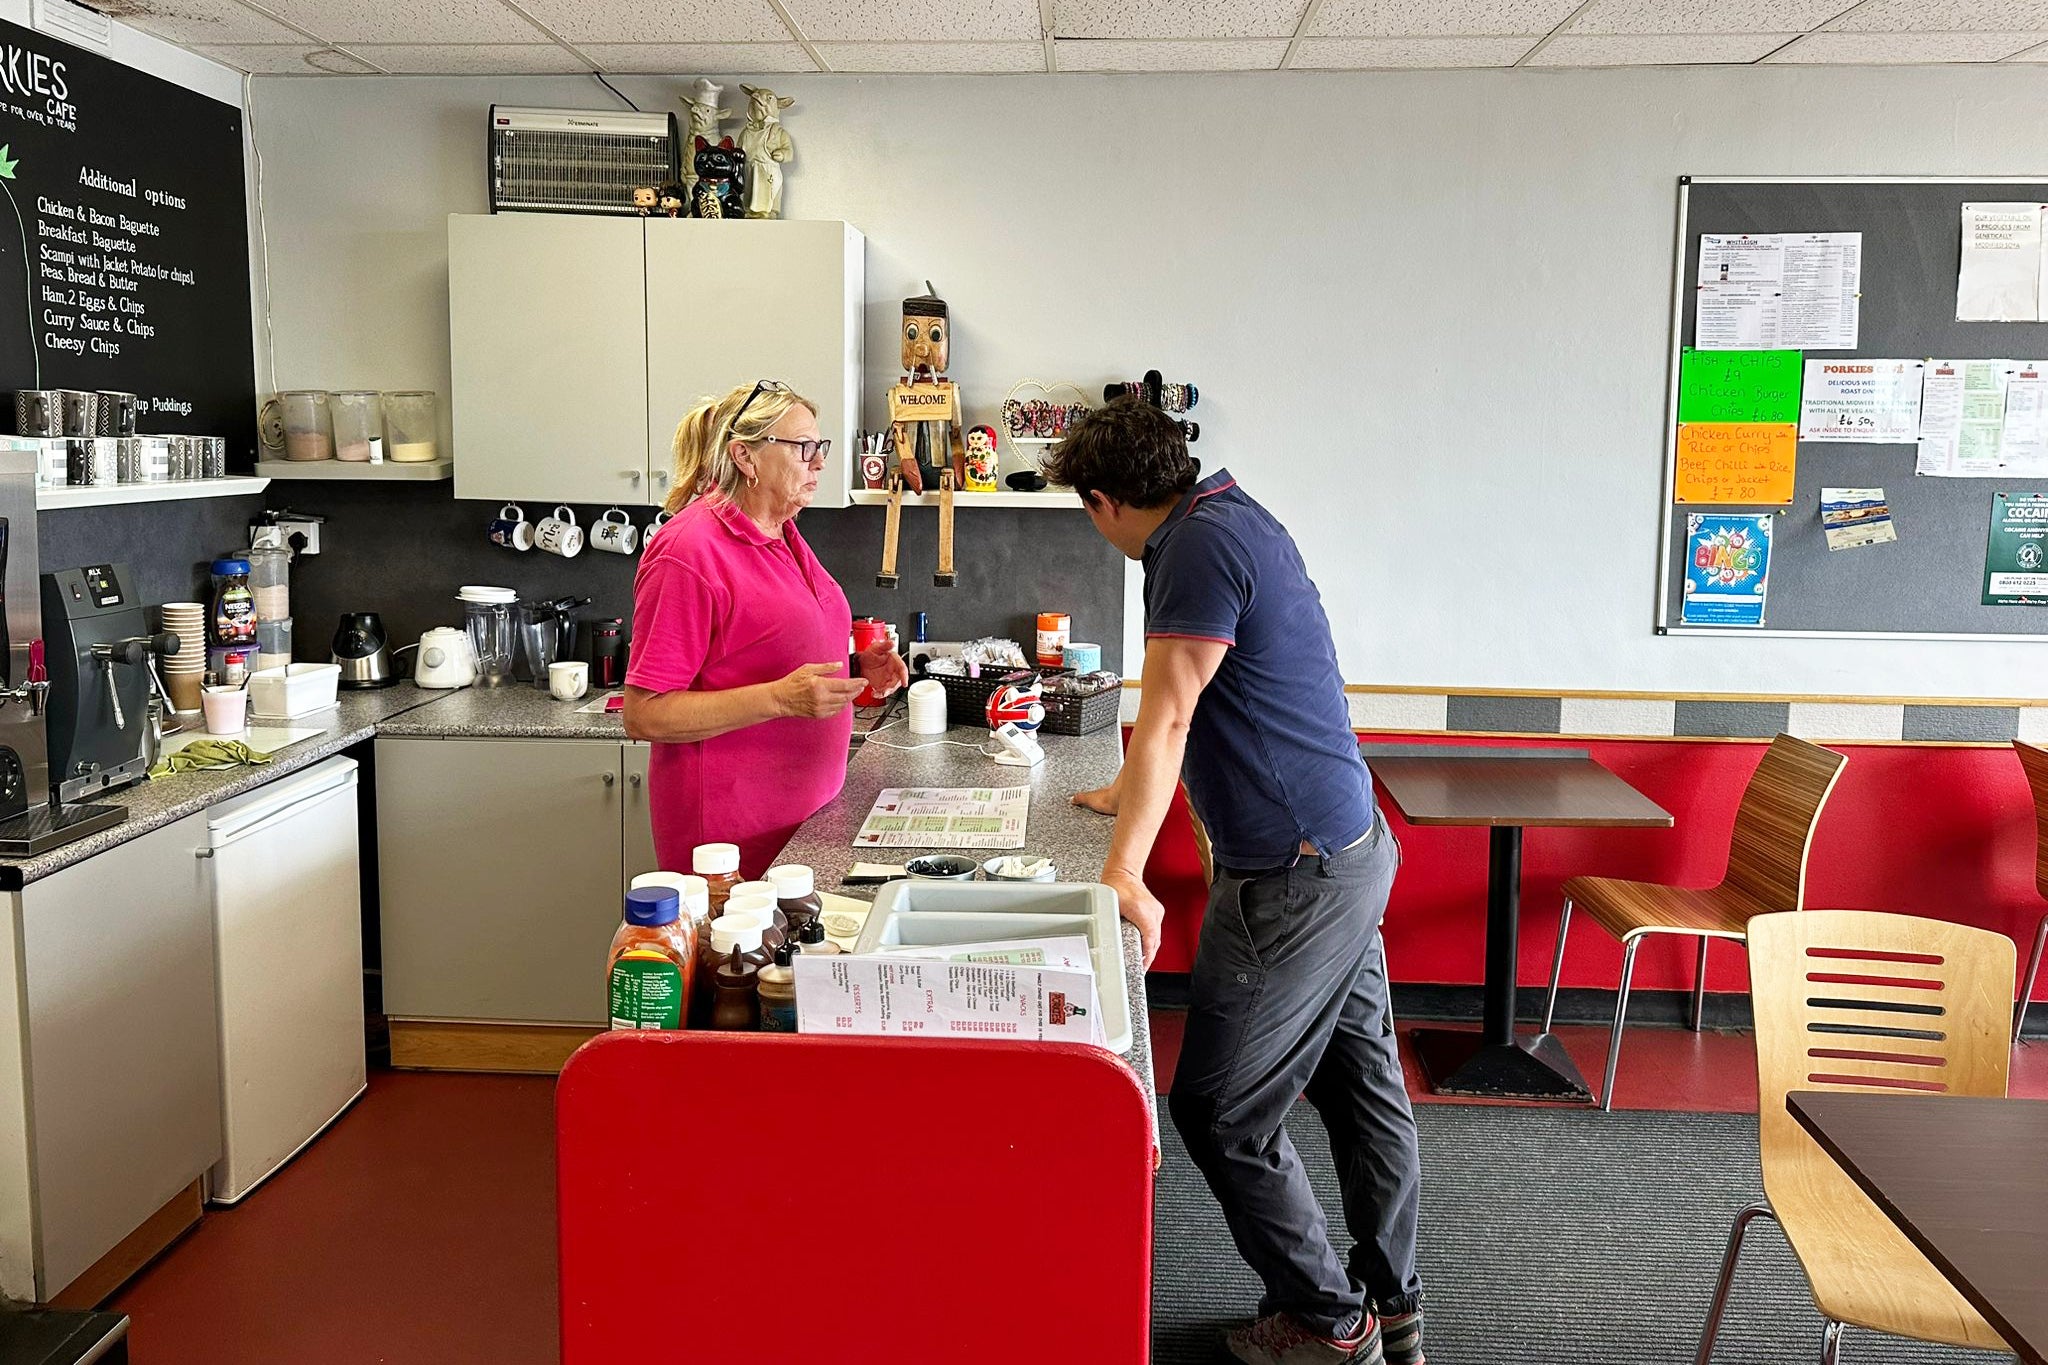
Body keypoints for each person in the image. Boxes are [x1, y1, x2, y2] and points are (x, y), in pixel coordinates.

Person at [1048, 399, 1425, 1365]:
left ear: (1102, 502)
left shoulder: (1191, 548)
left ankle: (1333, 1323)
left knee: (1220, 1111)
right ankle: (1396, 1301)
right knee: (1361, 1087)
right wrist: (1122, 792)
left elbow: (1170, 716)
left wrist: (1124, 866)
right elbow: (1213, 706)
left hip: (1292, 878)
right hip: (1350, 847)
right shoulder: (1233, 512)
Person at [624, 380, 907, 878]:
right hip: (727, 840)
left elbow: (764, 652)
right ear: (746, 458)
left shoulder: (784, 530)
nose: (819, 462)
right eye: (804, 448)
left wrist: (855, 670)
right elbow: (645, 715)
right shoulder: (689, 552)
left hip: (802, 825)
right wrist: (780, 699)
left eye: (820, 447)